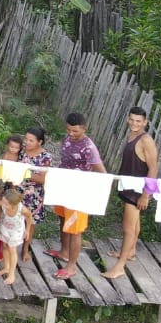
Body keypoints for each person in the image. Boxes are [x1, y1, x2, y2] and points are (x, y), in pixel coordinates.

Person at [47, 113, 106, 280]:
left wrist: (92, 191)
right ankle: (64, 251)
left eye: (75, 131)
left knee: (75, 229)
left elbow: (101, 172)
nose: (71, 134)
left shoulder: (89, 147)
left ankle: (71, 266)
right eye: (68, 130)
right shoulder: (66, 139)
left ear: (84, 128)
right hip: (63, 185)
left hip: (79, 192)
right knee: (62, 219)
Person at [103, 106, 158, 279]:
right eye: (132, 120)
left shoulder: (146, 140)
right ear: (128, 119)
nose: (134, 123)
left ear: (145, 122)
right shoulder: (131, 135)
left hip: (137, 191)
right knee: (134, 224)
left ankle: (120, 266)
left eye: (138, 121)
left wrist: (145, 194)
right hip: (128, 185)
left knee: (128, 228)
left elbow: (153, 168)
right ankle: (131, 251)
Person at [18, 126, 52, 262]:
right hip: (17, 190)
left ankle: (25, 249)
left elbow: (42, 179)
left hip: (34, 195)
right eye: (26, 139)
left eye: (31, 140)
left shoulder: (45, 157)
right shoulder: (21, 151)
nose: (26, 142)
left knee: (30, 223)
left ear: (40, 142)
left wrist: (23, 172)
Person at [0, 187, 33, 286]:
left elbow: (29, 217)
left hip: (16, 230)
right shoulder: (3, 203)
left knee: (12, 250)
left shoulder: (22, 210)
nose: (3, 205)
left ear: (14, 204)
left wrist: (27, 230)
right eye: (3, 202)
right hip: (5, 227)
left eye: (6, 204)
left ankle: (12, 274)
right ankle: (6, 267)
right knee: (4, 246)